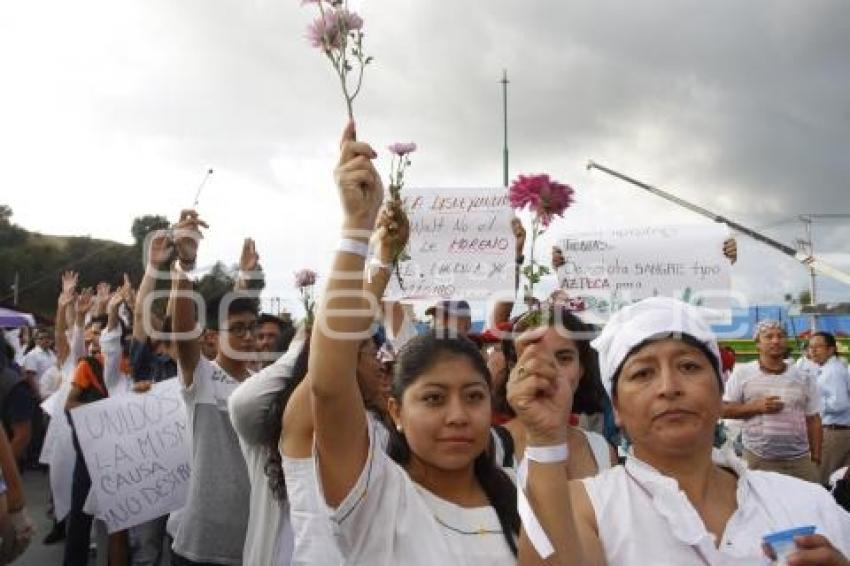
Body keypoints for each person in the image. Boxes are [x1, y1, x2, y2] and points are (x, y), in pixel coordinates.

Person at [301, 122, 519, 564]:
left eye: (474, 396)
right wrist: (358, 228)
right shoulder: (375, 494)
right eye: (434, 399)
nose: (458, 416)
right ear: (395, 410)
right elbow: (328, 381)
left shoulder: (518, 497)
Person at [511, 297, 850, 565]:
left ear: (721, 392)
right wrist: (544, 439)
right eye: (643, 373)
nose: (669, 387)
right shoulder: (585, 507)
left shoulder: (807, 502)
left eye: (689, 366)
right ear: (616, 408)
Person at [168, 209, 254, 566]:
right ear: (212, 337)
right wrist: (184, 266)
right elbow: (182, 332)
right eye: (238, 330)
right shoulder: (201, 377)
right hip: (200, 546)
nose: (248, 337)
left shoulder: (260, 386)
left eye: (252, 328)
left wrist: (245, 279)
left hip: (252, 541)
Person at [496, 305, 616, 478]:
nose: (548, 370)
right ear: (513, 368)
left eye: (564, 358)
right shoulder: (489, 448)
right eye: (533, 357)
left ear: (581, 368)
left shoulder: (602, 450)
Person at [723, 320, 822, 482]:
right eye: (768, 337)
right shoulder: (743, 374)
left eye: (781, 336)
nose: (775, 340)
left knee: (806, 506)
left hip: (800, 461)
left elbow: (813, 419)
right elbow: (723, 409)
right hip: (759, 459)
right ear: (758, 344)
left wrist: (816, 458)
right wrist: (756, 407)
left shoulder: (803, 377)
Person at [808, 331, 850, 484]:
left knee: (820, 480)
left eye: (817, 347)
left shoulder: (832, 371)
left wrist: (812, 403)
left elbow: (839, 403)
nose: (812, 351)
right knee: (839, 482)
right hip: (838, 432)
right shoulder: (829, 368)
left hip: (833, 432)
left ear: (831, 350)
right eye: (810, 347)